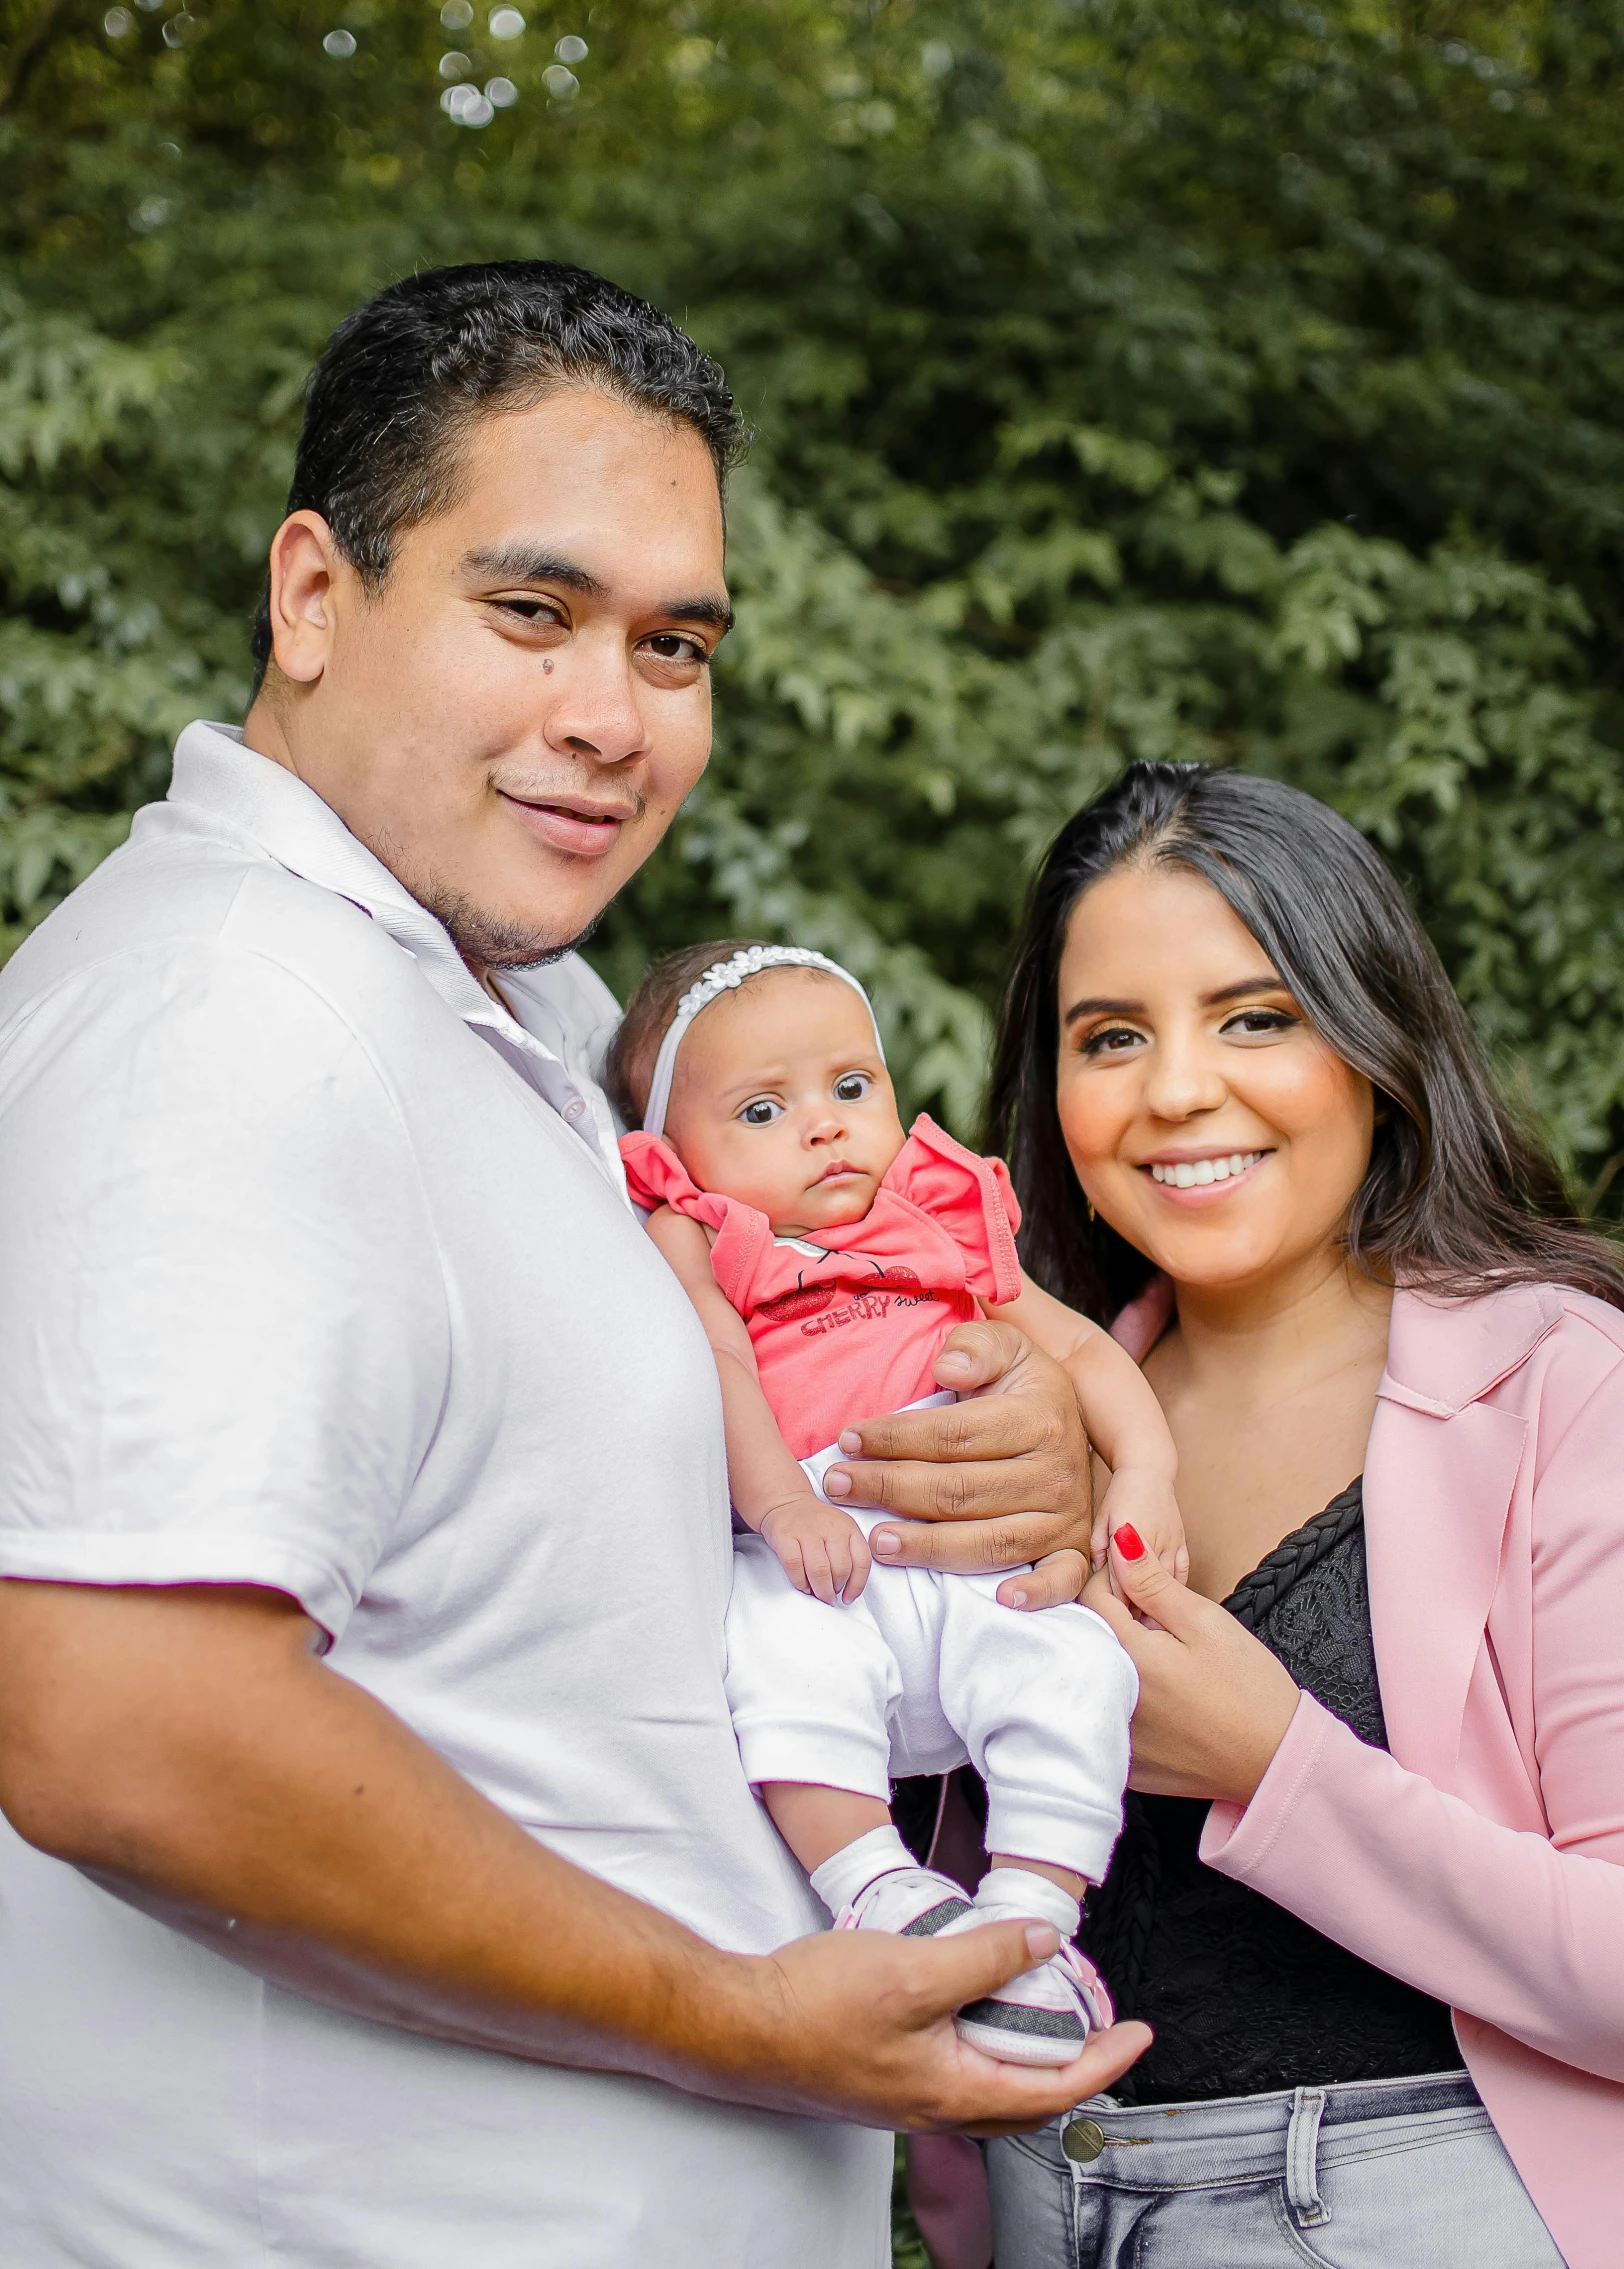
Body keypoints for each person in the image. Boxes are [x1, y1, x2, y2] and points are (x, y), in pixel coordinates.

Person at [0, 261, 1150, 2269]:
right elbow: (118, 1721)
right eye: (528, 612)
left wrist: (992, 1442)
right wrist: (734, 2016)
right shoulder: (225, 1015)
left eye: (673, 642)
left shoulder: (529, 1019)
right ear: (310, 595)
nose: (609, 719)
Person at [976, 760, 1624, 2269]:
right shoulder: (1029, 1415)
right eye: (1111, 1036)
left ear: (1373, 1035)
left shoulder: (1559, 1384)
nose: (1179, 1088)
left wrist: (1275, 1766)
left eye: (1255, 1016)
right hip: (1046, 2208)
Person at [609, 937, 1182, 2065]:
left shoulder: (935, 1219)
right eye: (763, 1110)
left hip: (966, 1547)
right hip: (817, 1544)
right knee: (773, 1661)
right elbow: (720, 1370)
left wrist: (1147, 1467)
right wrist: (779, 1510)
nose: (823, 1124)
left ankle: (1030, 1915)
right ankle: (877, 1884)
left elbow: (1078, 1349)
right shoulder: (713, 1238)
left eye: (850, 1087)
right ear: (679, 1153)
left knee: (1076, 1667)